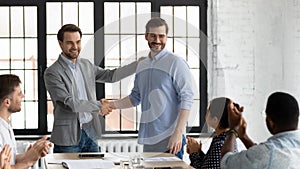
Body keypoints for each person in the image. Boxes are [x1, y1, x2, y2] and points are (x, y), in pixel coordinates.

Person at [44, 24, 144, 153]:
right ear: (60, 43)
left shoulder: (86, 65)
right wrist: (99, 106)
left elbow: (110, 76)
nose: (75, 47)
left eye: (78, 42)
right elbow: (70, 103)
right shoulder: (52, 72)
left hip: (90, 132)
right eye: (69, 43)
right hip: (67, 137)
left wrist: (136, 65)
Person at [103, 17, 194, 159]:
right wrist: (111, 105)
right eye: (153, 35)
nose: (157, 40)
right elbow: (135, 98)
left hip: (171, 138)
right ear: (146, 36)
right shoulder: (142, 65)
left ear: (166, 37)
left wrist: (178, 132)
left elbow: (187, 98)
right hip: (149, 138)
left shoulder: (176, 63)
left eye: (161, 36)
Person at [221, 91, 300, 169]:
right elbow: (262, 158)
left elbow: (226, 163)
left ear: (271, 122)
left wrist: (233, 129)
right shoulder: (269, 152)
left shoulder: (267, 152)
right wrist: (244, 137)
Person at [0, 74, 52, 169]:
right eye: (19, 94)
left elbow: (11, 160)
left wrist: (31, 154)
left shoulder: (5, 124)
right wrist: (28, 161)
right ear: (7, 102)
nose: (23, 96)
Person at [186, 97, 238, 169]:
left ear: (215, 120)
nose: (206, 112)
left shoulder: (220, 144)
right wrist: (198, 152)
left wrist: (194, 153)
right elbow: (209, 164)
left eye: (208, 110)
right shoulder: (223, 138)